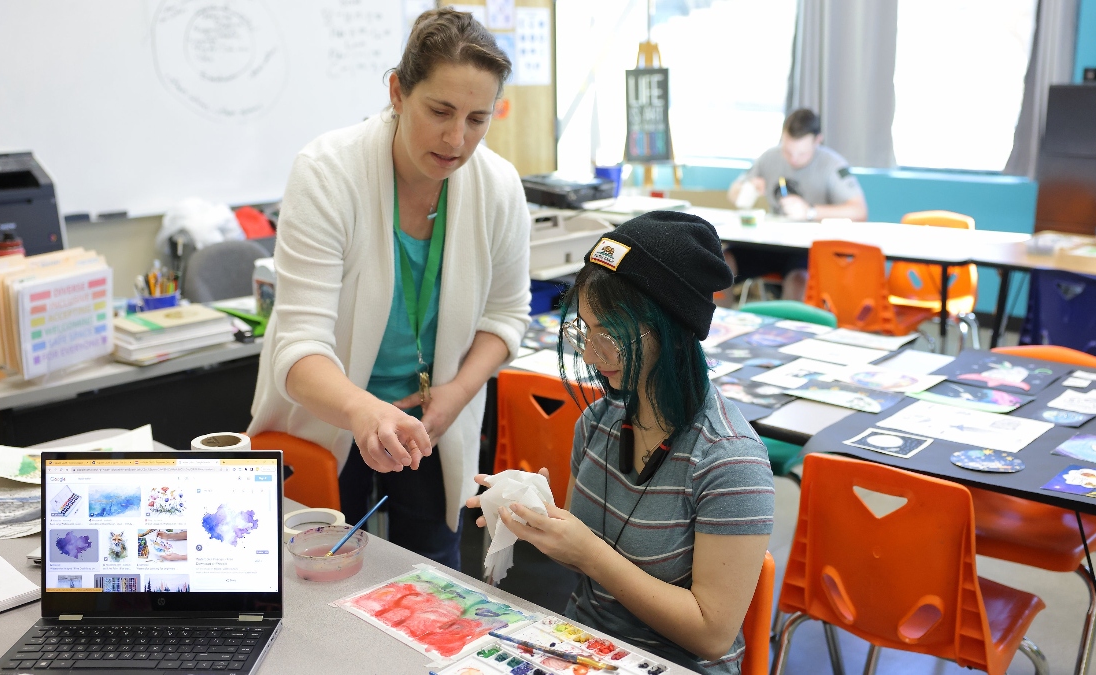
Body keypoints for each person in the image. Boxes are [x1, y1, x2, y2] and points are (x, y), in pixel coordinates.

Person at [248, 8, 532, 569]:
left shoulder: (497, 187)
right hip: (331, 414)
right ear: (398, 92)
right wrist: (364, 412)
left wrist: (453, 396)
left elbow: (507, 317)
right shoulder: (328, 173)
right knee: (315, 577)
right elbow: (298, 347)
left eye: (478, 119)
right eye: (440, 111)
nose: (457, 139)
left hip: (430, 423)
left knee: (430, 577)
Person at [468, 211, 775, 674]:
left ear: (672, 330)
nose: (591, 355)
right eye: (583, 331)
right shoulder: (599, 421)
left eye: (608, 335)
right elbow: (583, 561)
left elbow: (712, 634)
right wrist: (537, 512)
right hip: (583, 647)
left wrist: (589, 553)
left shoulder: (729, 461)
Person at [725, 108, 867, 300]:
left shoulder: (832, 165)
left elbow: (859, 211)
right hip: (769, 242)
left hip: (807, 249)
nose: (793, 159)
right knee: (721, 261)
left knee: (799, 279)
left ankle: (787, 328)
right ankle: (714, 326)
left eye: (801, 153)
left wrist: (810, 212)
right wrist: (747, 189)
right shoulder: (769, 158)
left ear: (818, 141)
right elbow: (733, 194)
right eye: (788, 151)